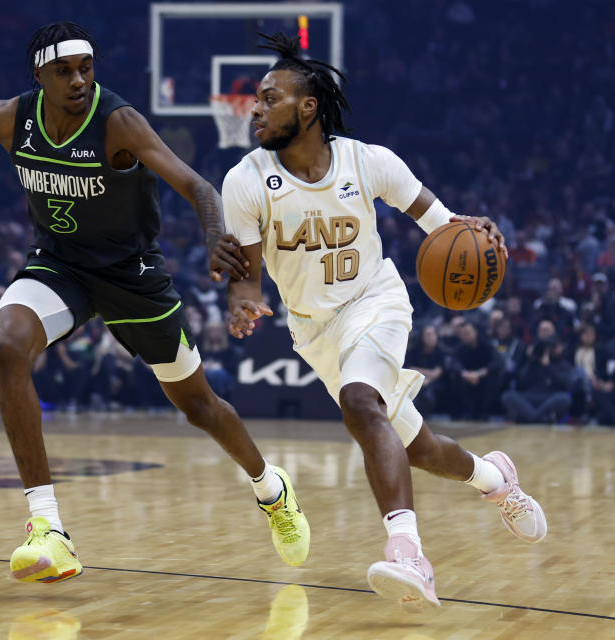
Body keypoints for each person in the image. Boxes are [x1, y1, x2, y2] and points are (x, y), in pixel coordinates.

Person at [0, 22, 309, 585]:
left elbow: (199, 188)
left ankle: (271, 490)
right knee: (7, 343)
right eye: (64, 71)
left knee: (199, 407)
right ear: (37, 76)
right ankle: (49, 530)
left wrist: (214, 236)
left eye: (86, 68)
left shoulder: (118, 121)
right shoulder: (8, 118)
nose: (79, 80)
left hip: (131, 274)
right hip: (60, 264)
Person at [223, 33, 546, 613]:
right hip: (313, 330)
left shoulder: (369, 162)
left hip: (376, 301)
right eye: (257, 98)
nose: (255, 107)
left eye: (270, 98)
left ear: (308, 108)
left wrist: (478, 233)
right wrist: (242, 300)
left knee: (359, 402)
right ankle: (495, 480)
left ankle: (408, 554)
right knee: (417, 447)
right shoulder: (245, 181)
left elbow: (445, 227)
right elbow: (247, 276)